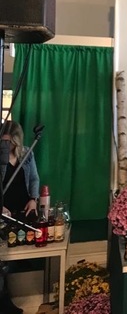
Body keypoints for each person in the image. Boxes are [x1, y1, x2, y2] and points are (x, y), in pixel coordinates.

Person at [0, 120, 39, 314]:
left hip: (23, 209)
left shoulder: (27, 153)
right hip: (3, 212)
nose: (7, 146)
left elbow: (34, 178)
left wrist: (33, 199)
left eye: (10, 142)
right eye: (4, 142)